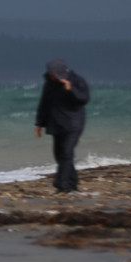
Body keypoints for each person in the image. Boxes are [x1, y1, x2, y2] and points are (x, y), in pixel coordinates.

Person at [34, 58, 90, 193]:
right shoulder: (49, 83)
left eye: (52, 72)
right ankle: (72, 183)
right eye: (49, 72)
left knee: (66, 152)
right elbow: (44, 103)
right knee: (59, 155)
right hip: (56, 123)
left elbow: (84, 99)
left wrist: (70, 90)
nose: (50, 74)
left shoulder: (76, 80)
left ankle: (62, 185)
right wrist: (39, 123)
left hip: (73, 124)